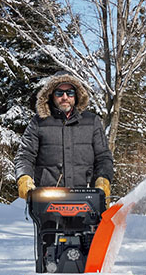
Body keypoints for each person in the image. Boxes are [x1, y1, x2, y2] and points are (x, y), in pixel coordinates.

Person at [15, 72, 114, 200]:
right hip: (47, 200)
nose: (65, 97)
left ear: (77, 95)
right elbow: (25, 156)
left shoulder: (92, 122)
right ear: (51, 95)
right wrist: (24, 178)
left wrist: (103, 179)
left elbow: (104, 157)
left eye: (70, 93)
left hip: (87, 199)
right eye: (59, 93)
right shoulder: (39, 122)